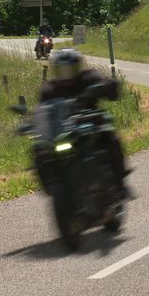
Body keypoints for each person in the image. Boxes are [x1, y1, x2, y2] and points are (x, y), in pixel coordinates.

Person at [37, 49, 132, 199]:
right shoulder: (50, 88)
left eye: (69, 69)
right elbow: (42, 111)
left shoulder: (88, 77)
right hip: (63, 130)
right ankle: (52, 184)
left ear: (77, 67)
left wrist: (107, 86)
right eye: (62, 69)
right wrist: (31, 123)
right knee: (41, 149)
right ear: (56, 70)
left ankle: (120, 182)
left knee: (110, 135)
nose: (66, 73)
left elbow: (109, 89)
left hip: (90, 123)